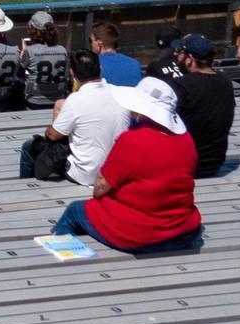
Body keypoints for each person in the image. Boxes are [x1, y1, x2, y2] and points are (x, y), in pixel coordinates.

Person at [46, 77, 204, 255]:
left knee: (75, 210)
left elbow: (101, 186)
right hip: (184, 231)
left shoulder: (132, 140)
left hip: (140, 235)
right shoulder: (186, 140)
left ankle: (70, 263)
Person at [31, 50, 128, 187]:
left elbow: (53, 135)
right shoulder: (120, 93)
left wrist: (49, 130)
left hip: (84, 175)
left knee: (29, 148)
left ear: (72, 73)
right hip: (114, 172)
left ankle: (28, 184)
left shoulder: (75, 100)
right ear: (100, 68)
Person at [167, 34, 235, 177]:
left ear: (189, 59)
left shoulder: (181, 85)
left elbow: (166, 125)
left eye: (180, 53)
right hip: (215, 162)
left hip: (187, 164)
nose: (176, 56)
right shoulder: (226, 83)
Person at [18, 13, 70, 110]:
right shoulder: (62, 50)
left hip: (34, 101)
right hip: (58, 101)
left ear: (33, 30)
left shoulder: (30, 51)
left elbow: (20, 74)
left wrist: (22, 54)